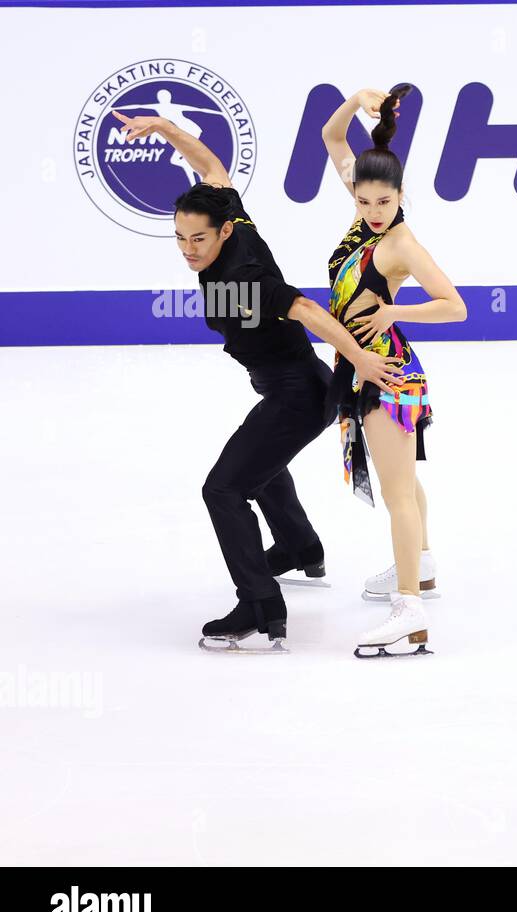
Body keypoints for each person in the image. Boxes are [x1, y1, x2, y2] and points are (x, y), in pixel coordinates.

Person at [111, 108, 406, 652]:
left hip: (300, 392)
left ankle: (260, 604)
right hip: (290, 387)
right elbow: (212, 166)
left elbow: (311, 312)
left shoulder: (244, 277)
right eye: (179, 239)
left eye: (197, 239)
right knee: (262, 469)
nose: (188, 250)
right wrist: (165, 129)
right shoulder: (230, 216)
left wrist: (362, 363)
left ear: (223, 232)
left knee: (223, 489)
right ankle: (299, 547)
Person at [320, 85, 468, 658]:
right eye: (364, 203)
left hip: (385, 372)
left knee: (397, 492)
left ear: (400, 196)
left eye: (384, 202)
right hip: (360, 365)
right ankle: (421, 565)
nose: (373, 211)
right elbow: (332, 137)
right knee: (403, 480)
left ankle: (409, 609)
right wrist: (356, 101)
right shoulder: (364, 219)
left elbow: (455, 305)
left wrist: (394, 310)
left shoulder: (401, 242)